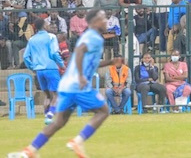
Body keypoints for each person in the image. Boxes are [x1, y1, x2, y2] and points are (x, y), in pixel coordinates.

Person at [10, 9, 117, 158]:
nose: (106, 21)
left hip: (66, 86)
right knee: (103, 111)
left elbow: (87, 60)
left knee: (58, 122)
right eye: (103, 18)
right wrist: (81, 76)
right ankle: (78, 141)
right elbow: (80, 51)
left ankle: (29, 152)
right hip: (77, 86)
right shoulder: (94, 37)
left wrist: (110, 62)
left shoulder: (88, 36)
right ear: (94, 22)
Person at [23, 18, 65, 125]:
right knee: (56, 94)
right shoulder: (51, 37)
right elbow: (54, 53)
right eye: (47, 23)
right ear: (44, 26)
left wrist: (32, 67)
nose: (48, 25)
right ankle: (50, 116)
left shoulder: (32, 39)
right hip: (51, 68)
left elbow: (25, 56)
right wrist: (62, 65)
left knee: (47, 95)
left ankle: (47, 116)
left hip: (39, 70)